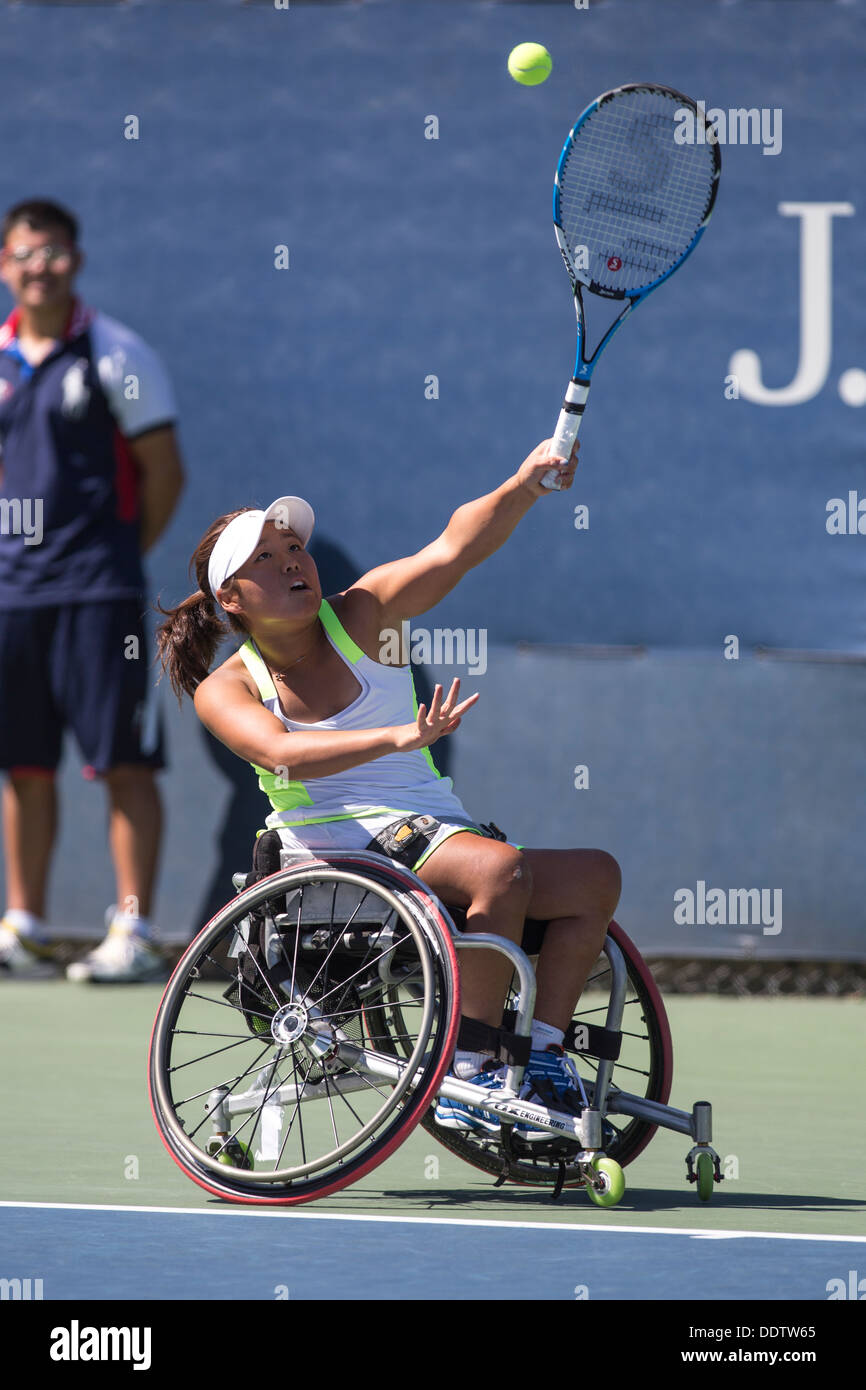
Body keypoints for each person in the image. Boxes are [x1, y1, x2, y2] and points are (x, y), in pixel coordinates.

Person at [155, 438, 621, 1130]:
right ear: (232, 597)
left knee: (593, 879)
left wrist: (526, 486)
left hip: (429, 829)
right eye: (267, 559)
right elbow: (282, 755)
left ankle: (543, 1057)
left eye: (294, 551)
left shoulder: (365, 614)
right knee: (502, 871)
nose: (293, 563)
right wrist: (397, 737)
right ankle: (473, 1066)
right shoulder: (225, 687)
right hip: (335, 849)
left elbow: (452, 549)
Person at [0, 199, 185, 982]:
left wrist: (113, 564)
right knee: (22, 766)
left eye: (53, 253)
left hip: (100, 596)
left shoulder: (118, 354)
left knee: (123, 764)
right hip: (12, 599)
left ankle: (135, 931)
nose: (38, 266)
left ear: (75, 261)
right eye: (23, 254)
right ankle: (28, 924)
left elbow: (164, 476)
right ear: (6, 267)